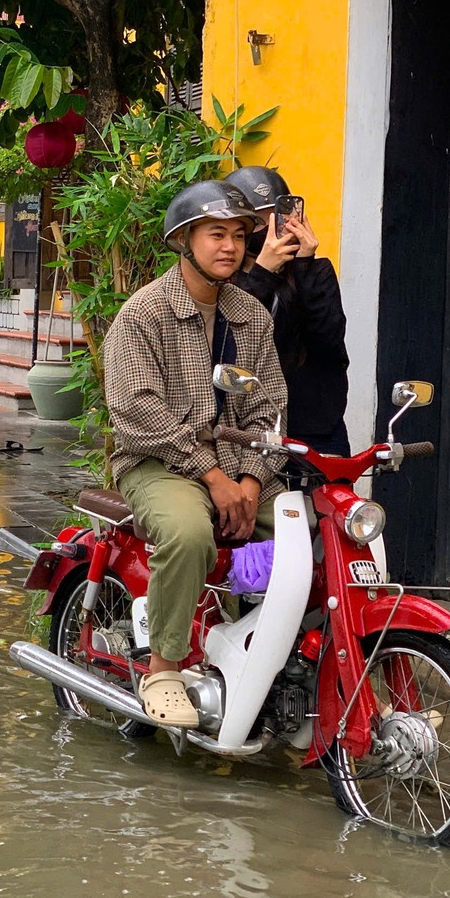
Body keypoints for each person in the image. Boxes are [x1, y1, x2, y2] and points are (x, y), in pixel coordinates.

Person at [102, 179, 288, 727]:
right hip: (158, 463)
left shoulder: (252, 316)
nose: (230, 246)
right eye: (215, 234)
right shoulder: (143, 315)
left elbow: (270, 406)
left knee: (322, 531)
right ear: (184, 240)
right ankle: (163, 670)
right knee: (187, 534)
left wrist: (250, 481)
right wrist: (212, 475)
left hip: (239, 469)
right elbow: (139, 411)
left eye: (239, 235)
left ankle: (310, 673)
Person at [224, 165, 350, 457]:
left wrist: (304, 266)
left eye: (277, 217)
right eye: (259, 221)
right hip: (249, 425)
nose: (270, 229)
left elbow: (328, 341)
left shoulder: (316, 271)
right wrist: (262, 272)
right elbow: (234, 340)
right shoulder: (226, 279)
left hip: (316, 427)